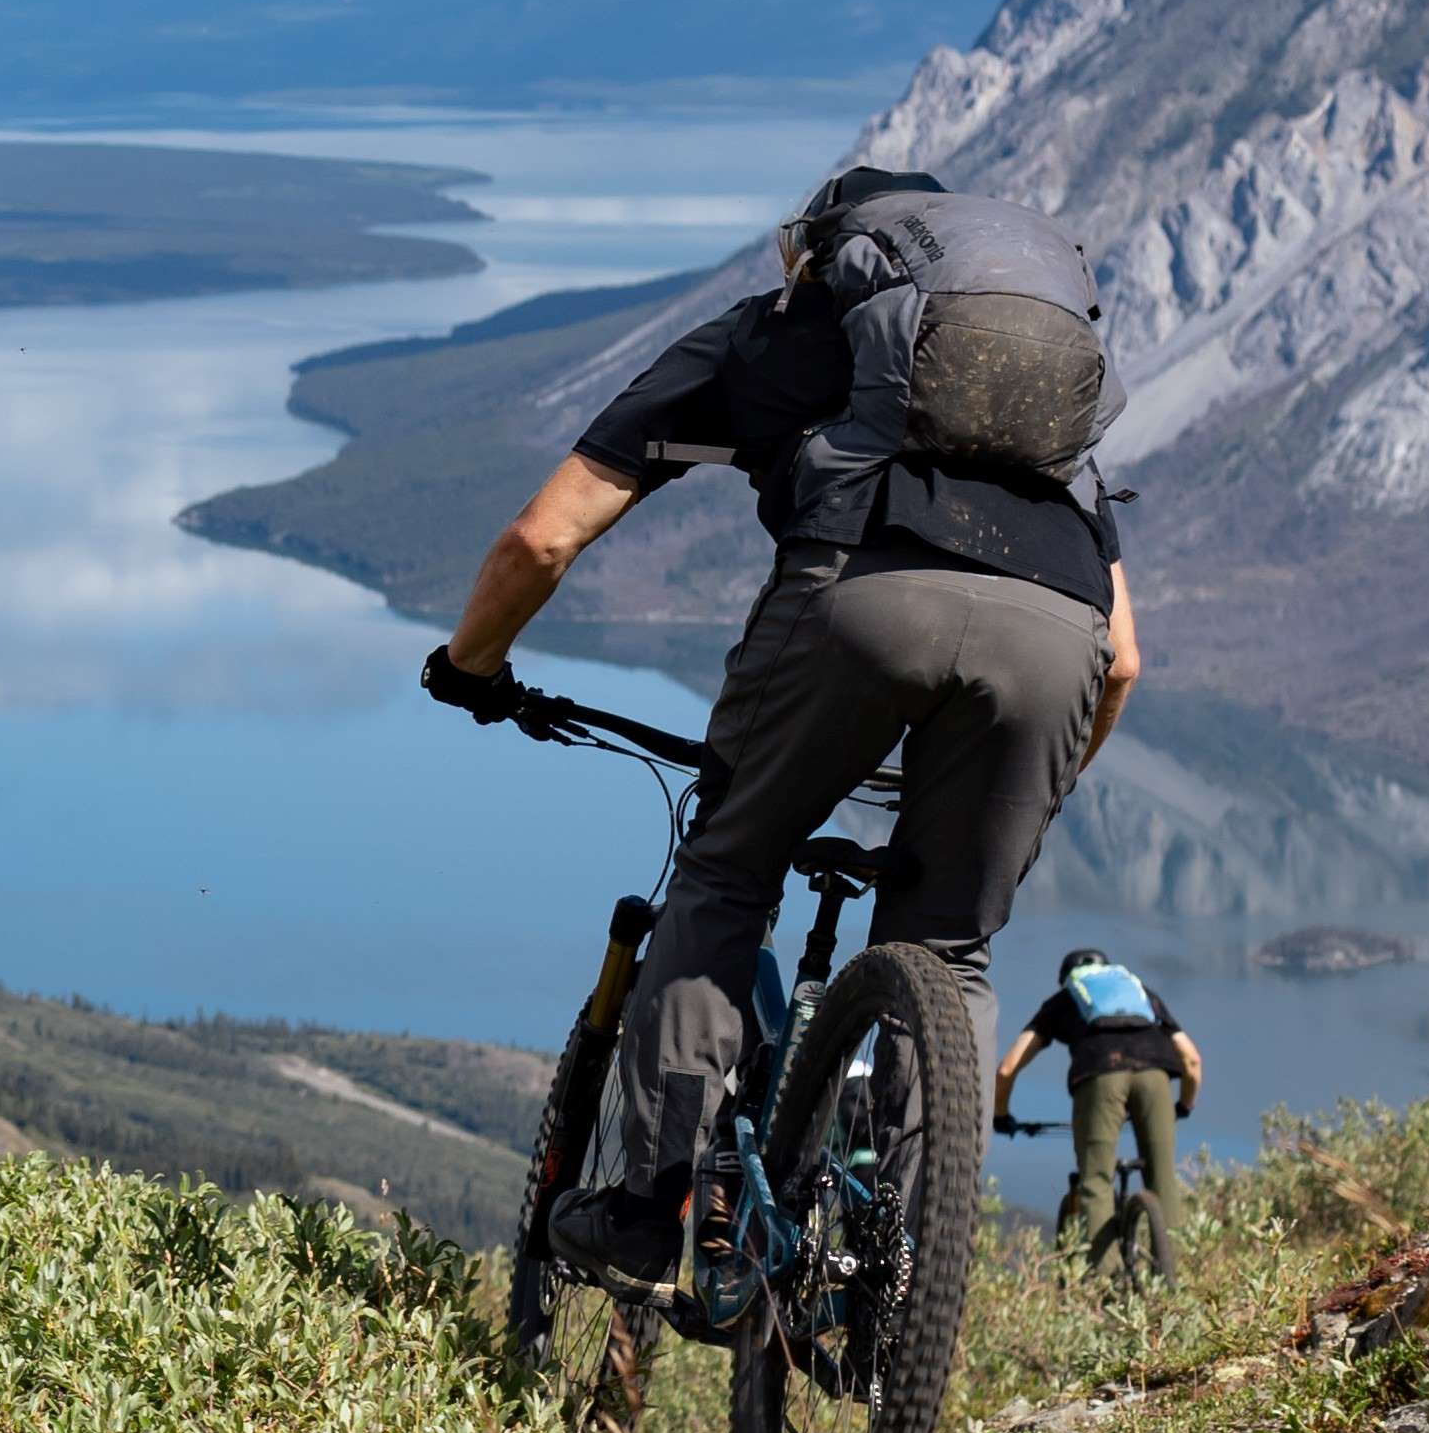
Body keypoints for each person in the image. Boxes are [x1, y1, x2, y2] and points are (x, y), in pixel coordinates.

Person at [423, 164, 1142, 1286]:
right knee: (947, 944)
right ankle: (898, 1270)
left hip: (857, 603)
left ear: (818, 254)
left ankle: (651, 1210)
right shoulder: (1046, 426)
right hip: (1058, 640)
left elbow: (543, 540)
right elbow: (1125, 661)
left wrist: (472, 667)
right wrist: (1016, 788)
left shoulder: (767, 336)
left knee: (729, 871)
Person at [997, 947, 1200, 1280]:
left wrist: (1001, 1116)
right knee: (1162, 1175)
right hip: (1156, 1076)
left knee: (1096, 1180)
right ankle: (1179, 1279)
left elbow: (1007, 1069)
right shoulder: (1143, 995)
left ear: (1069, 979)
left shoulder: (1063, 1000)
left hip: (1100, 1074)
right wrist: (1184, 1106)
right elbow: (1191, 1060)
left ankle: (1106, 1288)